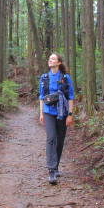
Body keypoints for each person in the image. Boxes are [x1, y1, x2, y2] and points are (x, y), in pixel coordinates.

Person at [39, 53, 74, 185]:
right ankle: (51, 170)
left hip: (62, 112)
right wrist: (41, 113)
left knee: (60, 140)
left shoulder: (66, 78)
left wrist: (70, 114)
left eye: (53, 58)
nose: (50, 60)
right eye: (49, 58)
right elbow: (42, 96)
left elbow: (70, 96)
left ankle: (56, 165)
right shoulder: (44, 77)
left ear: (59, 62)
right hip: (48, 111)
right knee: (51, 137)